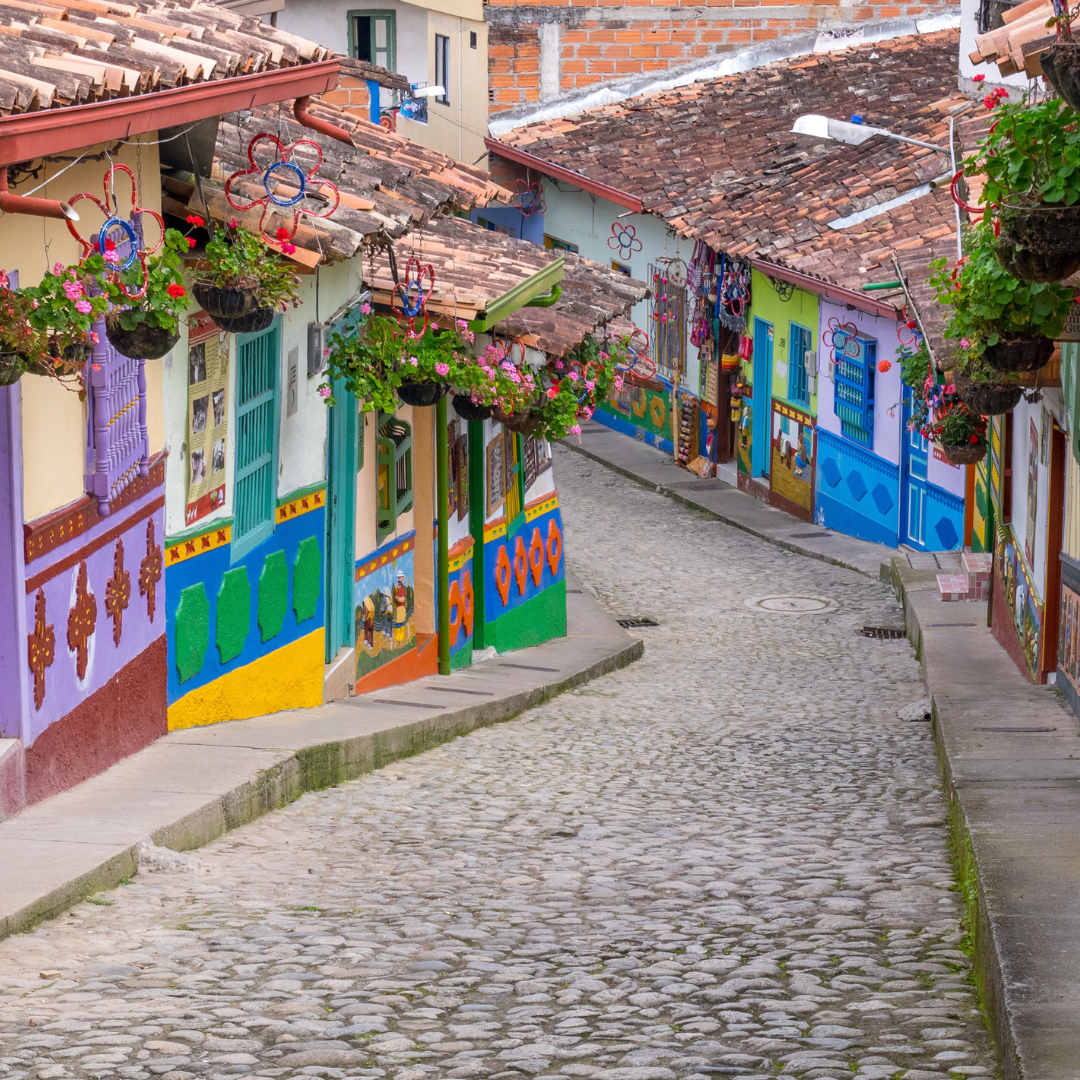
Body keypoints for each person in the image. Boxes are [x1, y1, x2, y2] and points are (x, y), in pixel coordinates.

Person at [392, 571, 408, 644]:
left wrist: (397, 598)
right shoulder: (395, 588)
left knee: (401, 621)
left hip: (401, 607)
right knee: (397, 622)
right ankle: (397, 635)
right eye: (397, 577)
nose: (398, 579)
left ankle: (401, 635)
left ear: (403, 578)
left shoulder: (402, 588)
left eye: (400, 577)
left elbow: (402, 599)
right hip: (396, 608)